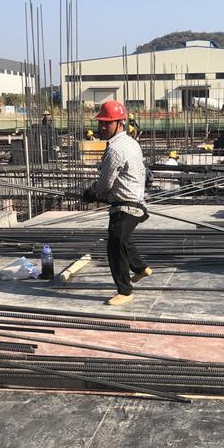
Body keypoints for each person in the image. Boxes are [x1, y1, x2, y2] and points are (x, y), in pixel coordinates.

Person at [83, 100, 151, 306]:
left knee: (115, 247)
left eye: (107, 123)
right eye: (101, 123)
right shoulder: (131, 142)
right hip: (137, 201)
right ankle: (140, 268)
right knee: (123, 240)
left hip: (125, 205)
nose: (102, 127)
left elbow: (105, 184)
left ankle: (125, 291)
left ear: (120, 123)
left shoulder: (115, 149)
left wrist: (91, 192)